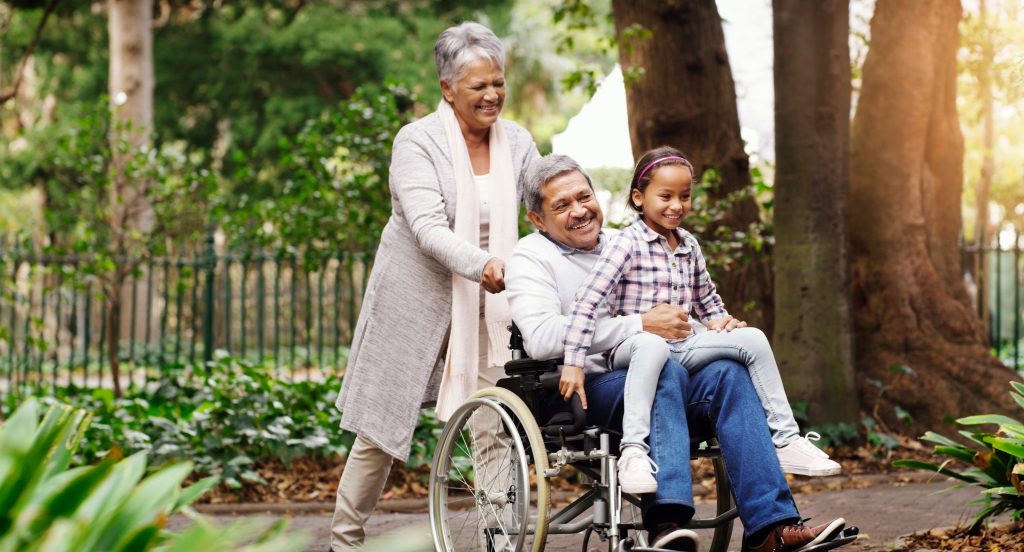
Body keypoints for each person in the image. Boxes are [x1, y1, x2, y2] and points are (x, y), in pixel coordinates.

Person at [505, 154, 850, 552]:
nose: (579, 211)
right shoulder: (530, 258)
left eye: (584, 196)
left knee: (727, 371)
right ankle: (667, 528)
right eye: (561, 206)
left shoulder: (630, 239)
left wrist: (716, 329)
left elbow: (678, 310)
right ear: (537, 218)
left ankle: (772, 528)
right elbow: (544, 338)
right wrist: (640, 324)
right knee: (661, 368)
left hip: (662, 366)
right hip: (586, 385)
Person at [329, 22, 538, 551]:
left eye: (498, 82)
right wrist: (486, 263)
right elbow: (427, 229)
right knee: (380, 428)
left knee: (494, 416)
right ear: (447, 88)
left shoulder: (516, 141)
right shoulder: (417, 141)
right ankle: (344, 540)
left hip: (491, 303)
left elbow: (543, 203)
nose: (492, 95)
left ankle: (497, 539)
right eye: (478, 86)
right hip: (416, 297)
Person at [560, 145, 840, 493]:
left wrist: (723, 322)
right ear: (638, 197)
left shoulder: (689, 245)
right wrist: (573, 361)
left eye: (685, 196)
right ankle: (633, 452)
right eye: (665, 196)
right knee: (650, 345)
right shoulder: (626, 244)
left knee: (752, 338)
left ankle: (786, 439)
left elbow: (707, 300)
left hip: (682, 345)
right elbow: (586, 301)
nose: (677, 205)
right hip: (631, 349)